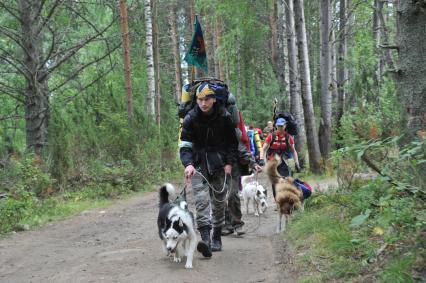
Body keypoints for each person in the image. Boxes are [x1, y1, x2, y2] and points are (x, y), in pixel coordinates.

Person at [180, 82, 239, 257]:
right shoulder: (190, 118)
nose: (203, 103)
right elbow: (185, 145)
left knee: (219, 202)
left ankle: (217, 236)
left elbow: (232, 143)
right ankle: (205, 239)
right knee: (201, 201)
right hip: (198, 164)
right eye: (199, 99)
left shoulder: (225, 117)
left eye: (206, 99)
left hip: (219, 164)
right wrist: (188, 164)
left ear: (214, 100)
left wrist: (229, 162)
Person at [223, 114, 262, 236]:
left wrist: (253, 163)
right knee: (220, 197)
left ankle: (237, 223)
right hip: (216, 167)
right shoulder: (210, 129)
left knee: (233, 194)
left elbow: (242, 149)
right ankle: (226, 224)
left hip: (233, 166)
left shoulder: (234, 132)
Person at [261, 117, 300, 201]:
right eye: (278, 126)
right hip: (272, 163)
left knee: (284, 180)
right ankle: (277, 201)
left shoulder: (288, 137)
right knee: (275, 182)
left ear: (285, 126)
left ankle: (284, 199)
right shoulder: (271, 136)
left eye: (282, 126)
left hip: (284, 161)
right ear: (276, 126)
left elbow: (293, 151)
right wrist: (261, 159)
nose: (280, 128)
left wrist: (296, 162)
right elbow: (263, 148)